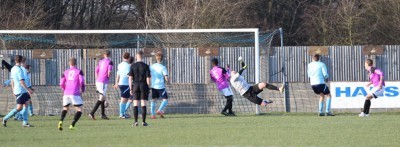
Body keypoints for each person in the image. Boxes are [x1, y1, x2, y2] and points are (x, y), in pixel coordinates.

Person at [2, 55, 34, 127]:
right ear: (21, 60)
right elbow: (22, 82)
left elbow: (12, 80)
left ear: (15, 60)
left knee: (26, 104)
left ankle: (25, 122)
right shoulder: (19, 70)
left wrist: (13, 90)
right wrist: (28, 89)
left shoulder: (13, 68)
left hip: (20, 90)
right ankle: (5, 118)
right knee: (19, 108)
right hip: (20, 91)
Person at [58, 58, 85, 131]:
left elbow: (61, 83)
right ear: (76, 63)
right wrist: (83, 89)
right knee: (79, 110)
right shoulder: (79, 71)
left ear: (69, 64)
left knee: (65, 108)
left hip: (66, 93)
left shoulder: (65, 72)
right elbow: (82, 81)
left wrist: (64, 89)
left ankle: (60, 121)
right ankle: (72, 125)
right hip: (74, 92)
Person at [89, 50, 113, 120]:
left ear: (104, 55)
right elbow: (109, 73)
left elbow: (96, 71)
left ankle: (103, 114)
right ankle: (91, 113)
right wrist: (107, 78)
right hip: (103, 81)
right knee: (101, 98)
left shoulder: (100, 61)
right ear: (109, 55)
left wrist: (97, 79)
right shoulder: (110, 62)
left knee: (102, 97)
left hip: (99, 81)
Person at [129, 51, 151, 126]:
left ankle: (135, 122)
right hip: (143, 85)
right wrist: (148, 87)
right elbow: (148, 78)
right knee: (143, 103)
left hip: (135, 85)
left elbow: (130, 78)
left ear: (136, 56)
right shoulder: (146, 66)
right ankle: (143, 122)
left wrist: (130, 89)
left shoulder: (132, 66)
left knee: (135, 104)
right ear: (143, 57)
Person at [150, 52, 169, 119]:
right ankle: (160, 110)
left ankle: (152, 115)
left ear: (156, 58)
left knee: (153, 100)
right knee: (165, 99)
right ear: (162, 59)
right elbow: (166, 76)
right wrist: (168, 82)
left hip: (153, 86)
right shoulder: (163, 67)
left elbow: (148, 75)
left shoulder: (151, 66)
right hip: (160, 86)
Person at [114, 52, 132, 119]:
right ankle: (121, 114)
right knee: (123, 99)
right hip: (125, 84)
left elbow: (118, 74)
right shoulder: (127, 66)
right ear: (129, 57)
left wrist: (116, 83)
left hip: (120, 83)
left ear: (123, 57)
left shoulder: (120, 64)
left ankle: (123, 113)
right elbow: (128, 74)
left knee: (126, 99)